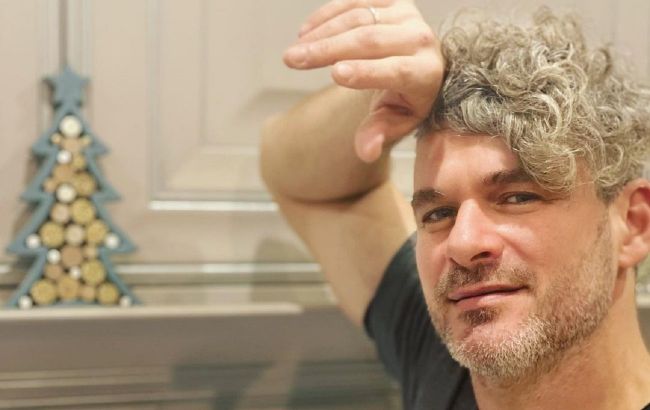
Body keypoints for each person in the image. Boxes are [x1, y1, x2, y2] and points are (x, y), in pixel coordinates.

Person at [260, 0, 650, 409]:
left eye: (517, 198)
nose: (463, 243)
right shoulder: (440, 360)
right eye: (439, 213)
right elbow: (297, 178)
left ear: (633, 223)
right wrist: (389, 92)